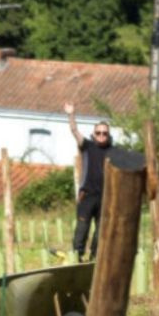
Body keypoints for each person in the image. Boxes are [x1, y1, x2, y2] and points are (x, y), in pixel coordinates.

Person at [65, 102, 111, 261]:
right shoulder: (87, 146)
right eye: (98, 132)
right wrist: (71, 114)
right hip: (87, 195)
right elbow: (74, 131)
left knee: (101, 231)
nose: (101, 135)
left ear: (108, 135)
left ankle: (94, 258)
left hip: (105, 197)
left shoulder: (112, 151)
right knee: (82, 229)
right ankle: (76, 256)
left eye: (105, 133)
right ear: (94, 134)